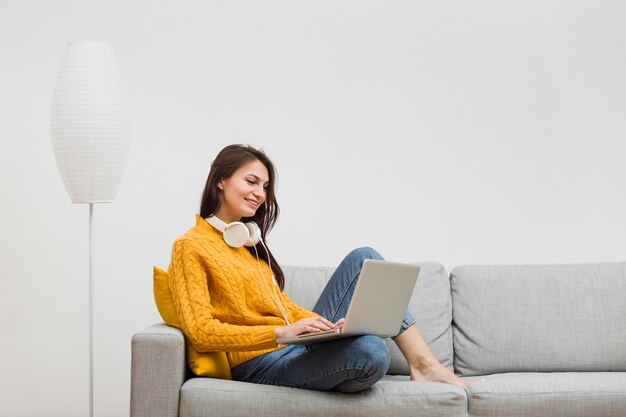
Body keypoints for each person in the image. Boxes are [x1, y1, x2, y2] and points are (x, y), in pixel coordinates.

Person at [167, 144, 468, 393]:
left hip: (294, 347)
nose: (260, 194)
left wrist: (323, 326)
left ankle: (424, 365)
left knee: (365, 257)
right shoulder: (190, 246)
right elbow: (201, 332)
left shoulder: (248, 244)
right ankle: (350, 372)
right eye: (251, 181)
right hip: (257, 364)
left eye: (265, 186)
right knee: (373, 352)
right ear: (221, 180)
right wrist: (282, 332)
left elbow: (281, 307)